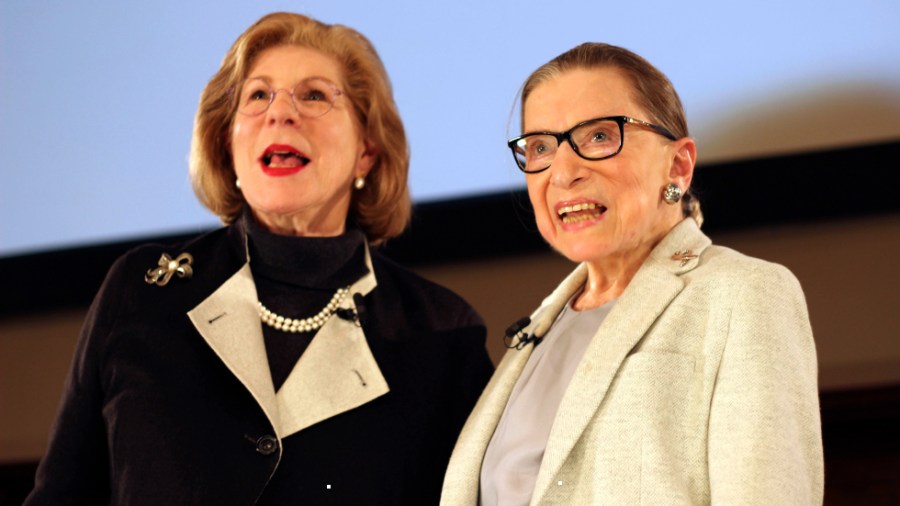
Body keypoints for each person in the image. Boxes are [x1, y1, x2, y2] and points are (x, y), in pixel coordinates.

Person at [26, 12, 493, 505]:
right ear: (227, 144)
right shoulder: (141, 290)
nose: (280, 113)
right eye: (258, 96)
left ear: (367, 152)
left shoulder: (443, 333)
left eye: (314, 95)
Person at [441, 43, 823, 504]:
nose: (563, 172)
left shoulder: (744, 294)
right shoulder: (540, 327)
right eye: (540, 147)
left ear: (678, 165)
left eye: (599, 136)